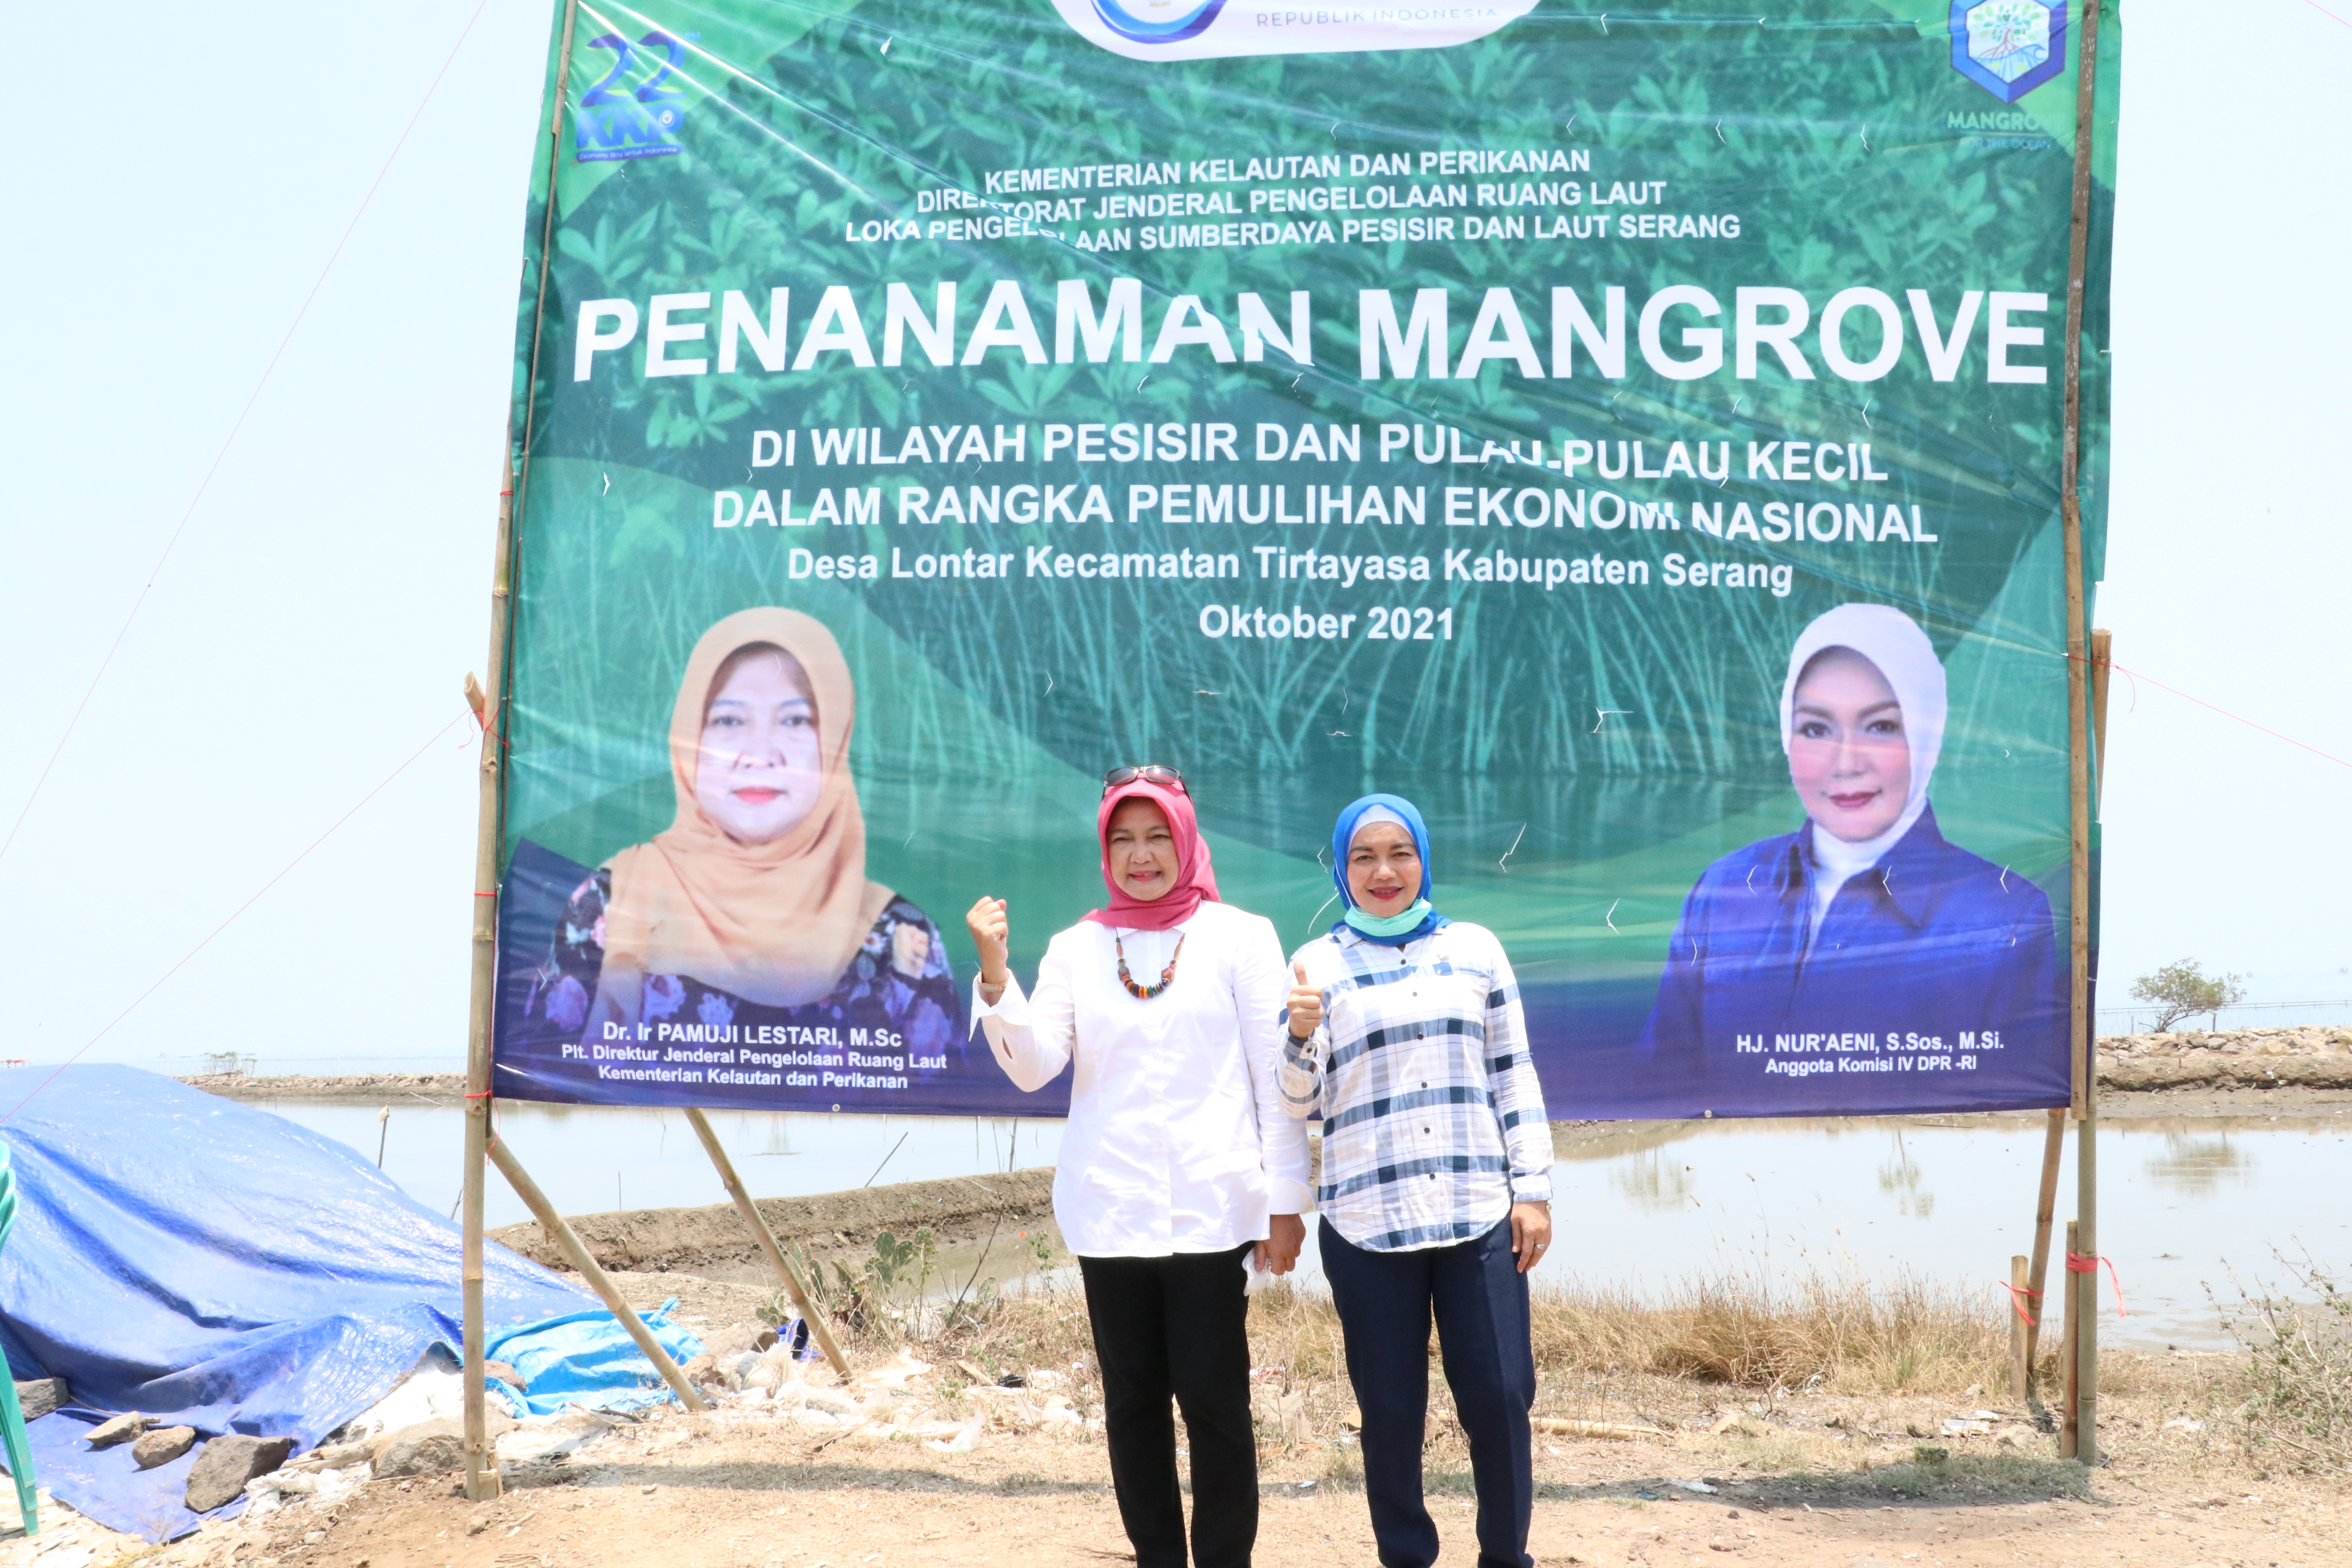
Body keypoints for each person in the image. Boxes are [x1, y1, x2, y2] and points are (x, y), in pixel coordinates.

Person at [966, 768, 1310, 1568]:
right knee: (1132, 1404)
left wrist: (1285, 1202)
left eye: (1157, 835)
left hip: (1213, 1208)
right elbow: (1033, 1065)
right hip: (1110, 1210)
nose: (1141, 854)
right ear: (1105, 850)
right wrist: (994, 973)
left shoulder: (1241, 935)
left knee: (1217, 1402)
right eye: (1123, 838)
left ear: (1186, 839)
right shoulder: (1075, 948)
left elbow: (1273, 1081)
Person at [1281, 793, 1554, 1568]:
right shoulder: (1318, 965)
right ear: (1341, 868)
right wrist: (1298, 1034)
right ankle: (1407, 1554)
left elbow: (1514, 1075)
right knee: (1393, 1411)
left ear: (1424, 858)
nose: (1384, 870)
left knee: (1502, 1398)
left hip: (1478, 1215)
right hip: (1368, 1221)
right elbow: (1297, 1100)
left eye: (1399, 852)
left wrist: (1531, 1189)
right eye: (1363, 856)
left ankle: (1507, 1555)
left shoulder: (1476, 949)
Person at [1637, 603, 2060, 1100]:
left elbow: (2012, 1104)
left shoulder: (2006, 914)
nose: (1846, 762)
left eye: (1880, 726)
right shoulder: (1727, 887)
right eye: (1816, 729)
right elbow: (1661, 1079)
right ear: (1786, 735)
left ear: (1927, 736)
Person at [519, 607, 957, 1061]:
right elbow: (548, 1075)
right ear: (688, 735)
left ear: (837, 742)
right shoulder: (613, 901)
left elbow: (938, 1107)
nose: (760, 754)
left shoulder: (901, 935)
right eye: (729, 721)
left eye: (795, 721)